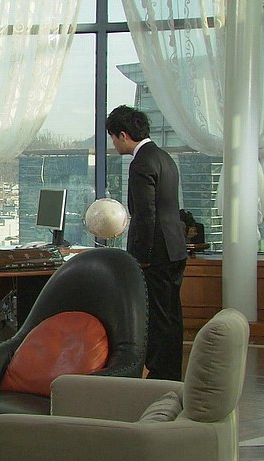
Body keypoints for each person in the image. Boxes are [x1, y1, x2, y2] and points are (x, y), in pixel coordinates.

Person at [106, 105, 188, 381]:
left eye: (113, 137)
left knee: (157, 317)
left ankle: (159, 374)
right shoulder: (164, 157)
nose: (114, 144)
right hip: (175, 247)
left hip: (157, 252)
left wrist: (140, 257)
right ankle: (171, 373)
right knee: (172, 315)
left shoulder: (141, 163)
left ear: (123, 135)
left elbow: (145, 214)